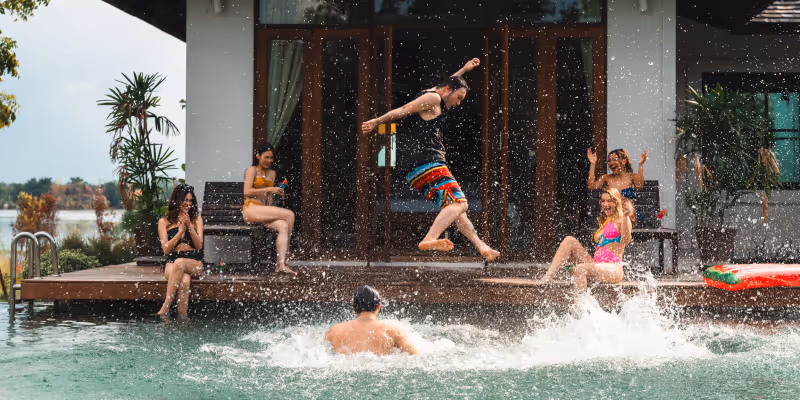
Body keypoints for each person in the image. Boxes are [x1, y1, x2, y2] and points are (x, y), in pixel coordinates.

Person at [361, 58, 500, 262]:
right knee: (460, 203)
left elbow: (450, 82)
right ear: (447, 90)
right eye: (459, 97)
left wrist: (464, 69)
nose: (458, 102)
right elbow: (402, 110)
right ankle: (430, 238)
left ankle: (482, 247)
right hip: (427, 161)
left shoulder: (434, 92)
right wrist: (377, 121)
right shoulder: (433, 99)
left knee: (453, 210)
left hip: (414, 167)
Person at [538, 188, 632, 303]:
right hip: (596, 265)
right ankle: (547, 277)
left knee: (580, 269)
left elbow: (626, 240)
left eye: (609, 201)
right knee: (569, 240)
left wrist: (626, 217)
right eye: (603, 201)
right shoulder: (605, 220)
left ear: (616, 202)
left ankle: (579, 311)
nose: (605, 204)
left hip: (613, 268)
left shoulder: (621, 219)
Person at [242, 143, 297, 275]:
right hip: (251, 209)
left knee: (283, 225)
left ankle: (281, 264)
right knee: (289, 215)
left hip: (263, 211)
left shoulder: (272, 173)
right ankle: (287, 259)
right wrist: (270, 189)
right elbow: (247, 191)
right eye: (266, 157)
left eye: (271, 158)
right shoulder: (252, 170)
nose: (269, 161)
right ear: (258, 156)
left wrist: (275, 193)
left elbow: (268, 200)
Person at [325, 286, 418, 356]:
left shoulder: (335, 330)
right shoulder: (392, 330)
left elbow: (319, 353)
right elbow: (415, 355)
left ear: (353, 306)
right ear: (378, 306)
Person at [156, 184, 204, 318]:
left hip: (193, 261)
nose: (188, 204)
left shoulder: (196, 219)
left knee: (181, 262)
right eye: (185, 200)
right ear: (177, 201)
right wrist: (180, 233)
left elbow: (199, 245)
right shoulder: (164, 221)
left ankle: (165, 308)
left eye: (190, 200)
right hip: (172, 261)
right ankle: (182, 319)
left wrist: (189, 226)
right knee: (184, 281)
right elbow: (166, 249)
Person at [587, 148, 647, 225]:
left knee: (627, 209)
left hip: (628, 216)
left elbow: (639, 186)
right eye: (609, 160)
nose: (611, 163)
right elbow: (591, 186)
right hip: (612, 216)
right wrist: (592, 164)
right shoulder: (606, 178)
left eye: (614, 159)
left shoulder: (632, 177)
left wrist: (640, 165)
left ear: (624, 161)